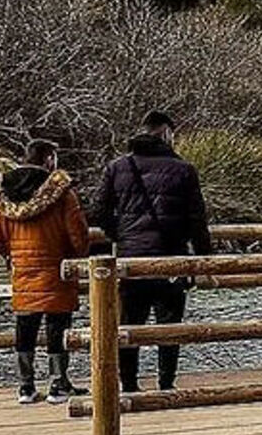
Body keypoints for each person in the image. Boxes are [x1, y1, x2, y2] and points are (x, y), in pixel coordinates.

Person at [91, 109, 214, 393]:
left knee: (129, 324)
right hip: (172, 257)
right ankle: (166, 383)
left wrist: (120, 235)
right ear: (167, 133)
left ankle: (129, 384)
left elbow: (98, 211)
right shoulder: (184, 170)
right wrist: (205, 260)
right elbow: (198, 221)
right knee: (169, 325)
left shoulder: (117, 167)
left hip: (131, 259)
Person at [0, 139, 90, 405]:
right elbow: (77, 235)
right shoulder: (63, 193)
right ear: (48, 159)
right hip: (56, 267)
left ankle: (26, 386)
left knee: (25, 327)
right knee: (58, 327)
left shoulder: (2, 195)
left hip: (23, 269)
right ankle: (58, 384)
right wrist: (77, 258)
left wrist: (11, 256)